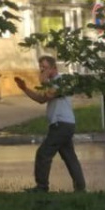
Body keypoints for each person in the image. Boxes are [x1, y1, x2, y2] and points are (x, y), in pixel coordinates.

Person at [14, 56, 86, 192]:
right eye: (40, 67)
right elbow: (41, 99)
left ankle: (42, 187)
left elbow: (49, 94)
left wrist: (43, 80)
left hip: (62, 124)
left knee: (43, 154)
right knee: (70, 157)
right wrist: (25, 89)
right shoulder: (52, 83)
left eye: (45, 67)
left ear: (54, 68)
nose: (42, 70)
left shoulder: (61, 81)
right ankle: (81, 188)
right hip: (60, 124)